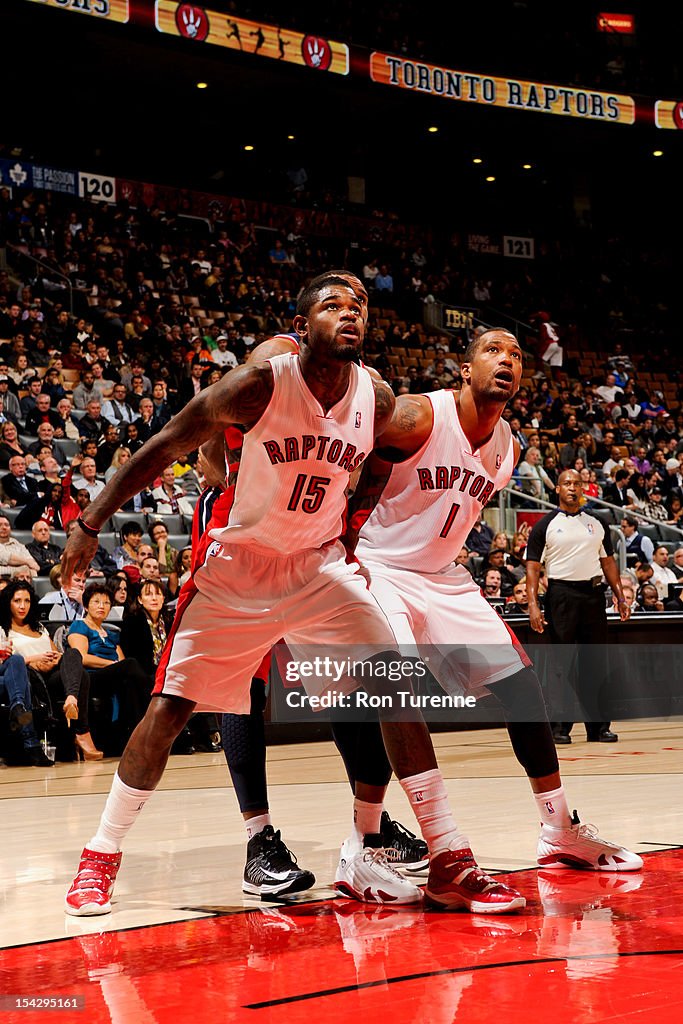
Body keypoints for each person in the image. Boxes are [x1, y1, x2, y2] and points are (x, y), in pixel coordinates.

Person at [62, 271, 469, 918]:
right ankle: (101, 854)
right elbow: (170, 442)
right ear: (300, 324)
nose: (350, 313)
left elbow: (381, 463)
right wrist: (89, 524)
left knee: (394, 682)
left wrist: (353, 531)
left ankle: (438, 854)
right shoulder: (260, 379)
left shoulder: (377, 397)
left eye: (359, 305)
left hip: (316, 565)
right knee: (171, 710)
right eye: (333, 304)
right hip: (240, 565)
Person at [346, 329, 640, 907]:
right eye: (493, 351)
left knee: (524, 689)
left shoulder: (507, 448)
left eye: (517, 355)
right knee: (396, 690)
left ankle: (557, 831)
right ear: (464, 368)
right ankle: (447, 854)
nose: (506, 361)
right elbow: (351, 463)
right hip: (377, 564)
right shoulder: (415, 417)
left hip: (443, 575)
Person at [526, 469, 629, 745]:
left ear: (584, 488)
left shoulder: (597, 523)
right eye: (567, 483)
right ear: (557, 489)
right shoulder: (544, 525)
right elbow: (533, 567)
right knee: (562, 664)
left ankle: (598, 728)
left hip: (594, 595)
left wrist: (620, 595)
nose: (572, 488)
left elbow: (608, 562)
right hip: (561, 596)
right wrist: (533, 605)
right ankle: (560, 727)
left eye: (577, 483)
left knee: (595, 662)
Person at [0, 580, 102, 761]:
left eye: (27, 601)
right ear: (8, 602)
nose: (23, 606)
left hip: (51, 673)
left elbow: (55, 651)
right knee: (83, 676)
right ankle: (81, 733)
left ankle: (71, 699)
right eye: (17, 601)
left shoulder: (38, 627)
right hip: (29, 676)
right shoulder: (3, 630)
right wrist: (34, 660)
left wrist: (55, 659)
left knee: (72, 654)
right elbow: (8, 665)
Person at [66, 583, 151, 746]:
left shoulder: (111, 634)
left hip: (112, 677)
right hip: (90, 677)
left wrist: (117, 666)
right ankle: (154, 702)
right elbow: (81, 657)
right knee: (132, 665)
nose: (101, 606)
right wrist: (112, 664)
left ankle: (136, 738)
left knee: (131, 681)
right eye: (96, 602)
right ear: (86, 605)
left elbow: (122, 662)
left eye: (106, 603)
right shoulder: (79, 625)